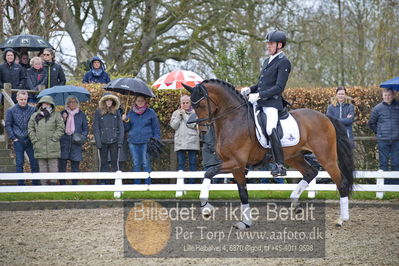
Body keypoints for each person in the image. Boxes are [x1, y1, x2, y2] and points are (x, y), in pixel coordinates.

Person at [241, 29, 291, 177]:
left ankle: (280, 165)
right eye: (268, 43)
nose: (268, 46)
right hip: (260, 102)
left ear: (279, 45)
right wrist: (250, 89)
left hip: (272, 104)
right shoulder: (266, 61)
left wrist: (259, 96)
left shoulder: (284, 62)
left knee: (270, 128)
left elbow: (278, 87)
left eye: (271, 43)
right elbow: (262, 84)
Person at [123, 95, 161, 185]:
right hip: (133, 141)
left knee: (146, 163)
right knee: (136, 164)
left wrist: (156, 139)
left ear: (145, 101)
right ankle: (137, 185)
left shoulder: (151, 112)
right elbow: (126, 128)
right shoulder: (131, 112)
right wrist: (125, 121)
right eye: (138, 100)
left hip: (146, 141)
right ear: (135, 102)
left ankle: (148, 185)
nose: (140, 102)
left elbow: (156, 127)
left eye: (142, 100)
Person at [5, 90, 40, 185]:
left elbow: (38, 123)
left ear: (27, 98)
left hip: (30, 139)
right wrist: (13, 137)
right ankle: (20, 184)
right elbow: (8, 125)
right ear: (17, 99)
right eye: (21, 99)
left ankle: (36, 184)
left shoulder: (33, 110)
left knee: (34, 163)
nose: (23, 101)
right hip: (18, 140)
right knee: (19, 163)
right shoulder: (11, 110)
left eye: (25, 99)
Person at [28, 96, 65, 185]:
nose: (46, 105)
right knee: (42, 167)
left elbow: (61, 128)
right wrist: (35, 140)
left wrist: (54, 138)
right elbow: (30, 129)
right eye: (44, 103)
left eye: (48, 103)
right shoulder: (35, 116)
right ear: (41, 104)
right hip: (39, 145)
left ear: (51, 105)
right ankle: (43, 185)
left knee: (53, 166)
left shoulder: (56, 115)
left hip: (53, 145)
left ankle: (53, 184)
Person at [368, 88, 399, 184]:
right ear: (382, 96)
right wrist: (379, 132)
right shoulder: (377, 108)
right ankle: (384, 185)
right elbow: (371, 123)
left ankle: (395, 185)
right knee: (383, 164)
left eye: (389, 95)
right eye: (385, 95)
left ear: (393, 95)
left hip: (396, 140)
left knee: (396, 163)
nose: (387, 97)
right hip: (383, 140)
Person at [93, 93, 124, 184]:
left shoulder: (117, 112)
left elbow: (121, 127)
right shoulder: (98, 112)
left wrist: (120, 141)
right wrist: (98, 141)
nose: (109, 102)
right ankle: (103, 182)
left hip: (114, 141)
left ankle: (116, 183)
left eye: (111, 100)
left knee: (115, 164)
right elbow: (96, 127)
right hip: (103, 142)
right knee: (103, 163)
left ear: (113, 101)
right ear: (104, 101)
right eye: (107, 100)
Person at [170, 95, 200, 184]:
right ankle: (181, 182)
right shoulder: (176, 113)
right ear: (180, 103)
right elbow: (173, 126)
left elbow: (193, 125)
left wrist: (184, 115)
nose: (185, 104)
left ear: (190, 103)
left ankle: (192, 183)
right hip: (180, 142)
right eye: (183, 103)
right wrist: (179, 116)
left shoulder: (195, 113)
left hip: (192, 141)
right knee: (181, 164)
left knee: (193, 163)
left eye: (187, 103)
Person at [59, 96, 88, 185]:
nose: (72, 104)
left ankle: (75, 185)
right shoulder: (62, 113)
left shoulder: (81, 114)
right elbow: (57, 128)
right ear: (67, 104)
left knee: (75, 166)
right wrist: (63, 120)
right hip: (64, 142)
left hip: (76, 142)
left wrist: (82, 138)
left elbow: (85, 129)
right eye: (70, 102)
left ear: (77, 103)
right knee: (62, 166)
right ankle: (62, 185)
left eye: (74, 102)